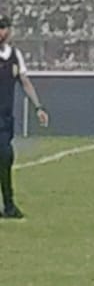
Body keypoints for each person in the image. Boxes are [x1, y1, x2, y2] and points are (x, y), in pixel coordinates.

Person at [0, 12, 50, 219]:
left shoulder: (15, 55)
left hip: (5, 119)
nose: (1, 32)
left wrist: (38, 107)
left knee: (5, 158)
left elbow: (25, 82)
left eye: (3, 28)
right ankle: (9, 205)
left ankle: (9, 206)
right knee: (4, 155)